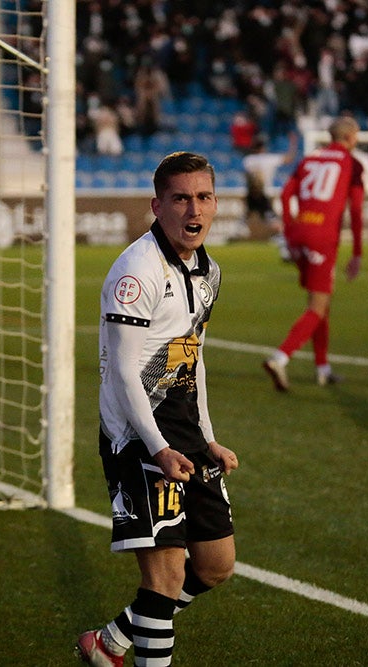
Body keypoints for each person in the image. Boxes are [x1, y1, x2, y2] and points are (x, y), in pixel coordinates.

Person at [77, 152, 239, 667]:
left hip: (184, 430)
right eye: (181, 198)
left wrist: (207, 436)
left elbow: (191, 356)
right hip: (138, 437)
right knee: (165, 579)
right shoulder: (136, 271)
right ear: (157, 205)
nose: (194, 208)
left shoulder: (209, 270)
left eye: (204, 196)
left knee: (215, 565)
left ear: (216, 204)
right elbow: (124, 374)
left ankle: (109, 643)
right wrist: (159, 448)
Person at [263, 116, 364, 390]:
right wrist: (357, 252)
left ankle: (323, 368)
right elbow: (355, 210)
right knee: (317, 306)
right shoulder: (352, 164)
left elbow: (285, 196)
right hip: (323, 238)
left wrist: (289, 233)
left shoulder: (308, 160)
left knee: (321, 302)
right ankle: (279, 358)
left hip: (299, 233)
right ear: (352, 137)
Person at [242, 131, 298, 236]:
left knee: (247, 216)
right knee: (269, 216)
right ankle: (281, 234)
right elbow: (289, 158)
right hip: (264, 193)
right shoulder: (269, 159)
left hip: (251, 193)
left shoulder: (248, 160)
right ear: (263, 148)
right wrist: (293, 143)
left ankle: (239, 233)